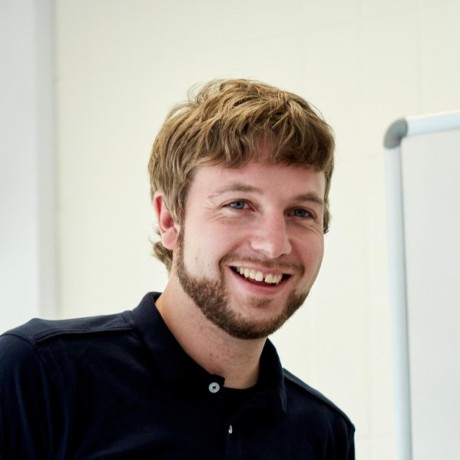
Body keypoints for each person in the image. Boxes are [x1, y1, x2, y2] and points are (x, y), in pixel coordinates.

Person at [0, 79, 355, 459]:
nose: (273, 245)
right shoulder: (38, 374)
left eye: (301, 212)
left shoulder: (323, 433)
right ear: (170, 220)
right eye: (238, 204)